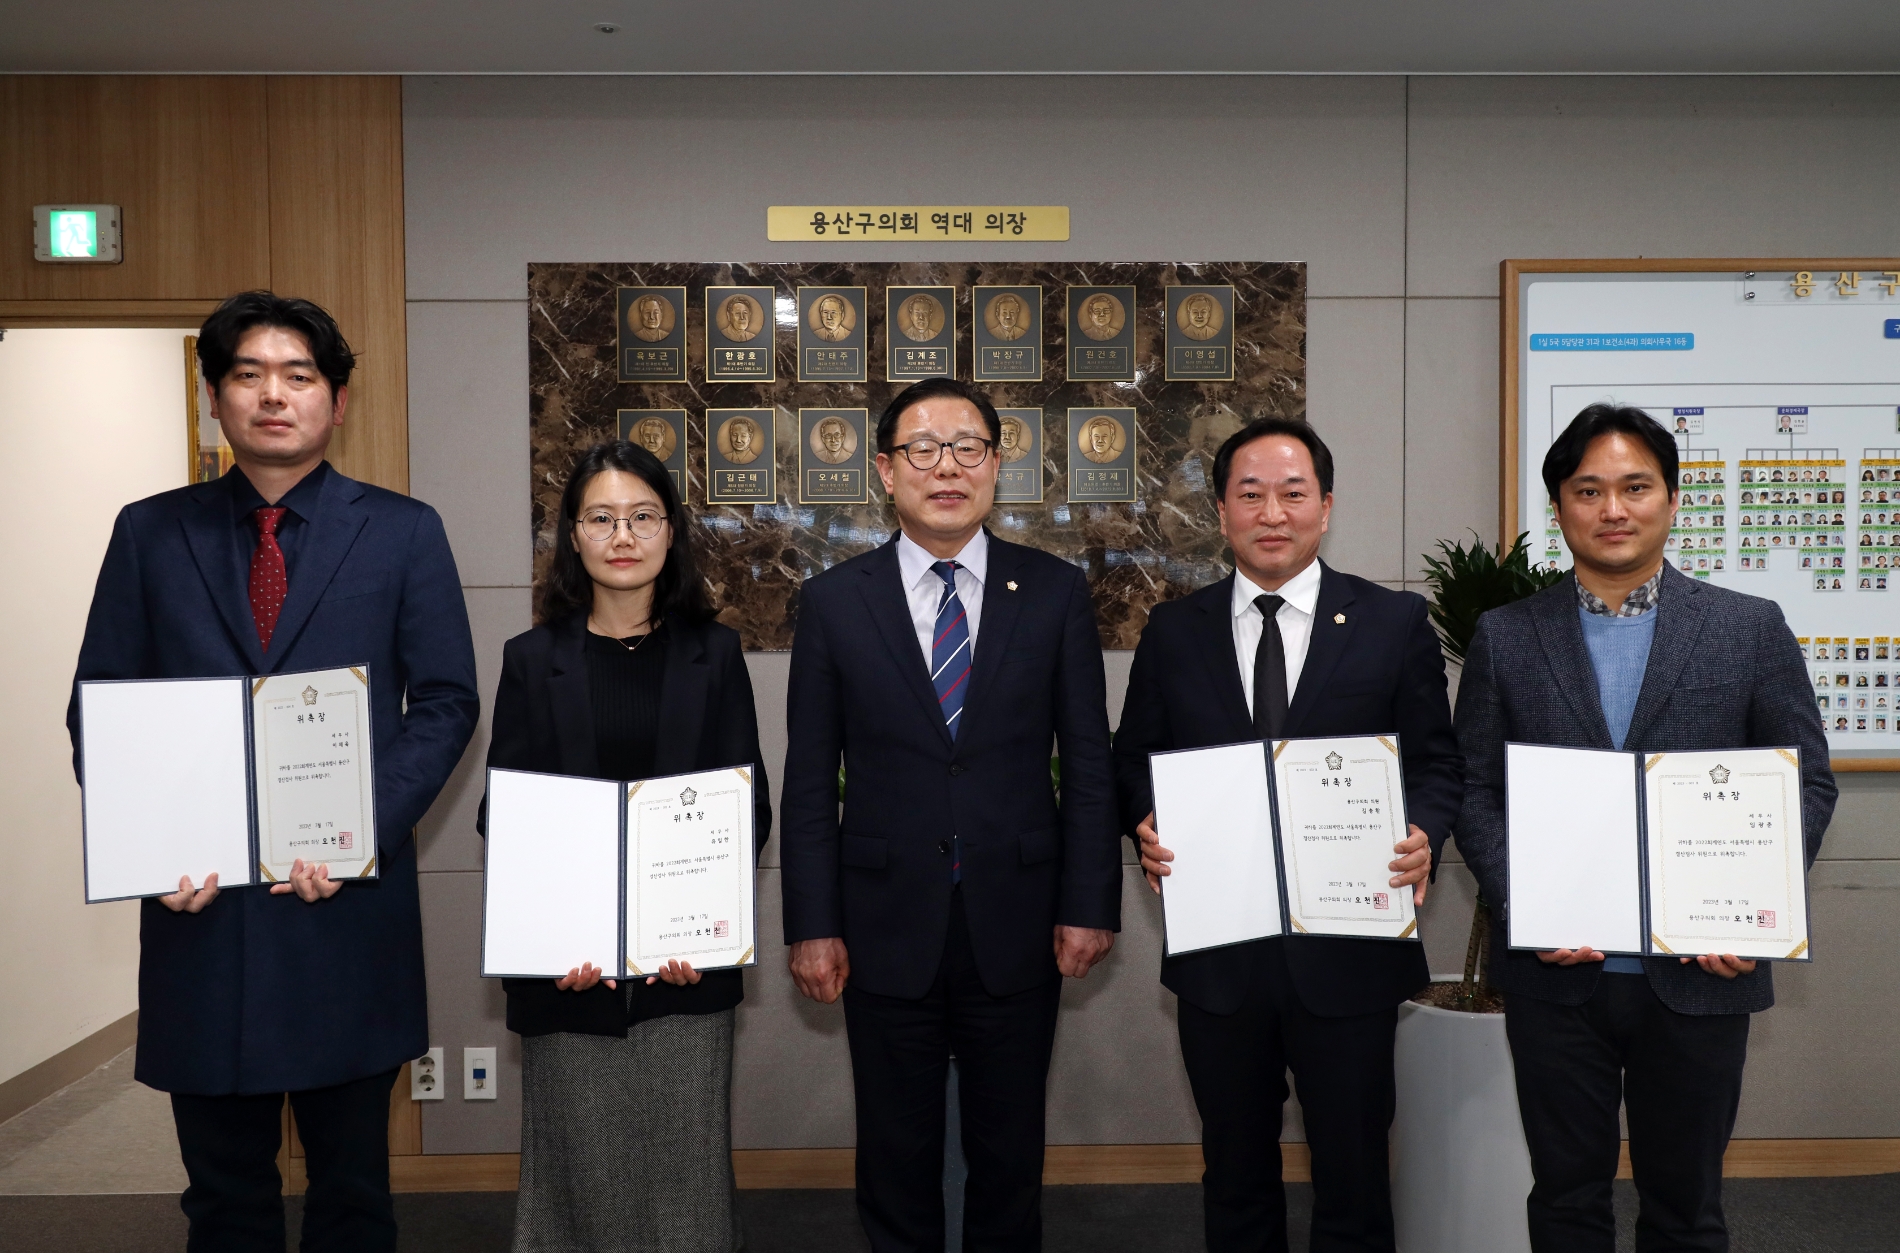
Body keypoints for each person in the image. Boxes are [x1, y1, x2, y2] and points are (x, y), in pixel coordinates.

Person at [68, 291, 479, 1251]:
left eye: (298, 376)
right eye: (247, 374)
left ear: (337, 400)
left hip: (344, 911)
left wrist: (361, 827)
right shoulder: (149, 532)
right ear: (215, 398)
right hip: (200, 917)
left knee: (351, 1196)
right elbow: (102, 705)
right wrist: (152, 844)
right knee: (223, 1199)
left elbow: (448, 701)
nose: (273, 395)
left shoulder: (404, 530)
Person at [1453, 403, 1835, 1253]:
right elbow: (1477, 789)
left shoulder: (1749, 627)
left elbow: (1806, 781)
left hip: (1701, 973)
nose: (1612, 508)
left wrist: (1753, 910)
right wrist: (1530, 904)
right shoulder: (1507, 637)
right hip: (1559, 980)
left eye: (1635, 486)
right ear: (1559, 507)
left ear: (1671, 499)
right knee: (1564, 1198)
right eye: (1588, 489)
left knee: (1687, 1207)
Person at [779, 376, 1121, 1251]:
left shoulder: (1051, 592)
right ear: (887, 471)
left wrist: (1090, 902)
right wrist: (811, 923)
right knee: (895, 1153)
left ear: (996, 466)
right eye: (923, 449)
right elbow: (812, 781)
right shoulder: (831, 601)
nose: (947, 466)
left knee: (1010, 1154)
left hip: (1020, 916)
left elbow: (1088, 763)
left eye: (968, 447)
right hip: (883, 920)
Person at [1111, 416, 1463, 1253]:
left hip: (1351, 947)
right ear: (1223, 512)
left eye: (1293, 493)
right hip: (1220, 953)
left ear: (1326, 506)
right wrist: (1143, 821)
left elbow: (1438, 763)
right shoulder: (1175, 630)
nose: (1274, 512)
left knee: (1353, 1169)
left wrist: (1424, 832)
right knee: (1233, 1168)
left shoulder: (1392, 622)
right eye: (1251, 493)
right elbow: (1133, 761)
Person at [483, 440, 770, 1253]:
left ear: (671, 531)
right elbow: (506, 817)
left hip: (684, 971)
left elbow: (747, 806)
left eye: (643, 516)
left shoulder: (714, 655)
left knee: (686, 1187)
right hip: (568, 973)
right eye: (601, 516)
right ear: (572, 536)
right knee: (580, 1184)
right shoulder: (531, 660)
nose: (623, 534)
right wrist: (552, 940)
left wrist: (693, 930)